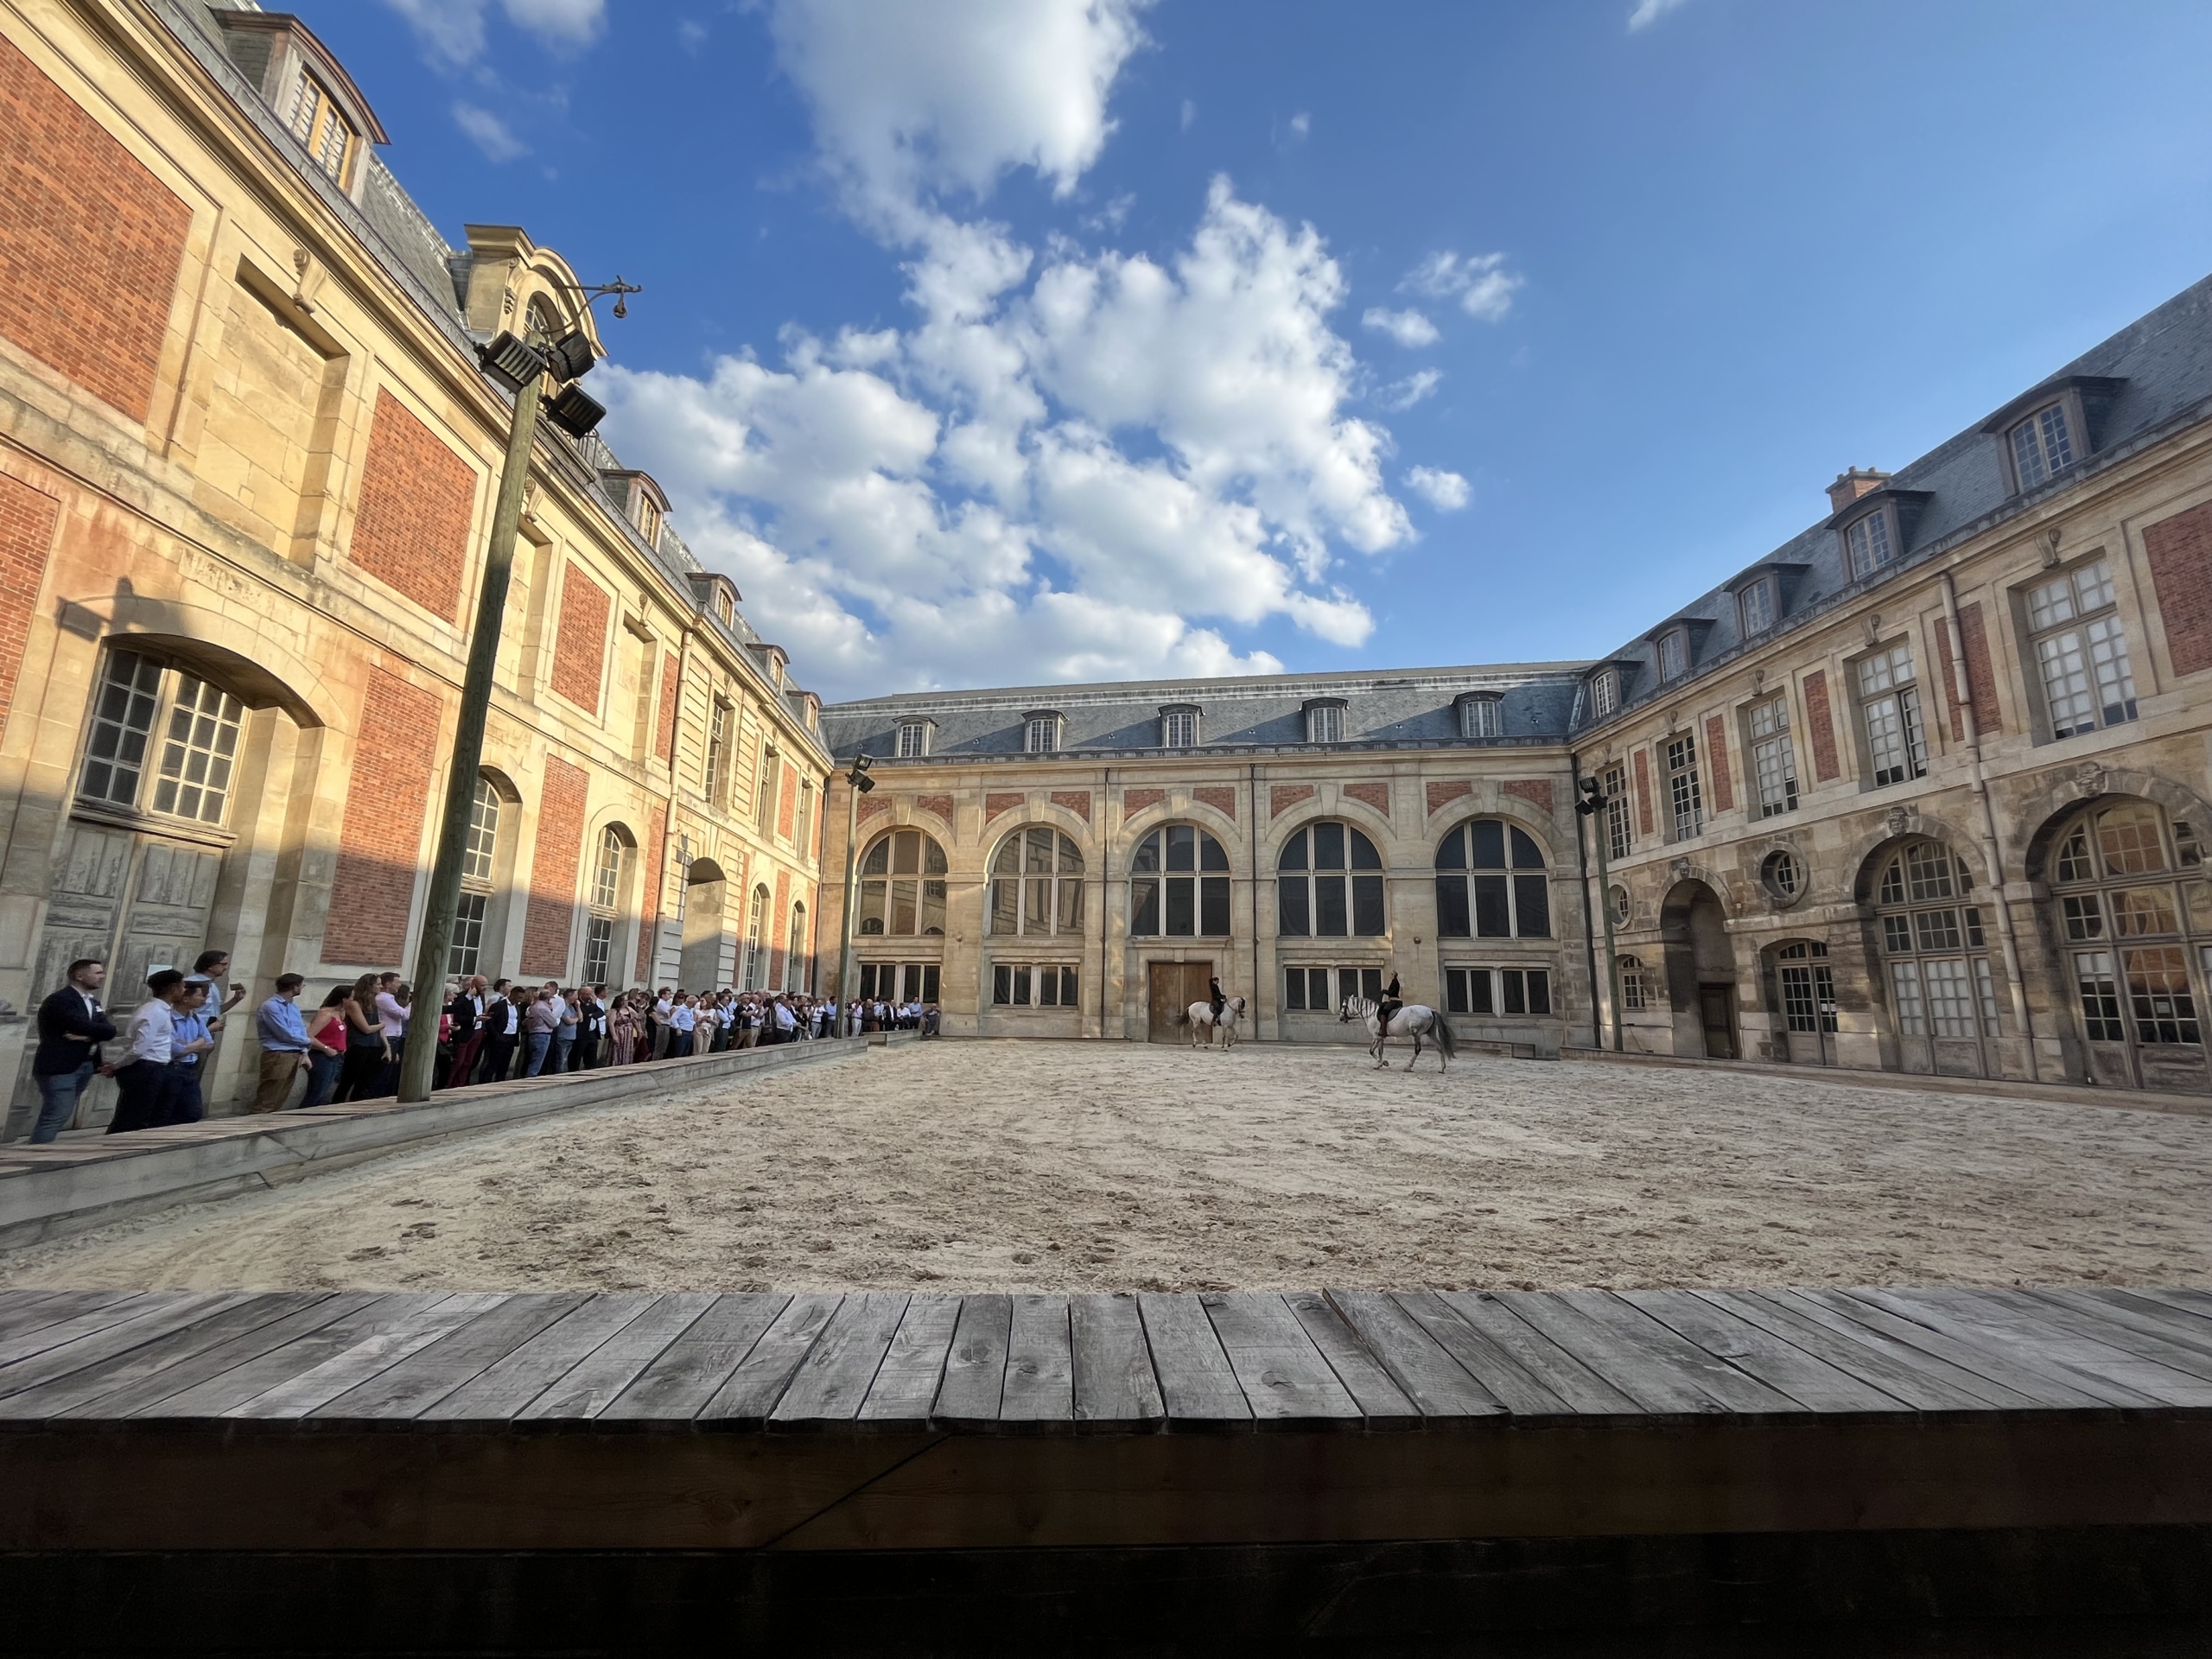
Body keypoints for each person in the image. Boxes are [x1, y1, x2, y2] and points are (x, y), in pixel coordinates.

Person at [30, 958, 117, 1144]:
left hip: (85, 1064)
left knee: (61, 1112)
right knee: (56, 1114)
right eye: (97, 973)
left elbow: (110, 1031)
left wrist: (87, 1036)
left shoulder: (93, 1002)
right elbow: (77, 1024)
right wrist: (92, 1031)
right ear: (79, 975)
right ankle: (35, 1154)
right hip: (61, 1066)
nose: (102, 977)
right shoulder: (60, 1000)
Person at [109, 969, 187, 1135]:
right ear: (174, 988)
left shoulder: (162, 1010)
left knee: (145, 1114)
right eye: (182, 986)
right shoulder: (153, 1011)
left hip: (154, 1067)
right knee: (133, 1116)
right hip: (145, 1067)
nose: (184, 991)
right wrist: (117, 1066)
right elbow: (139, 1047)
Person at [252, 973, 314, 1113]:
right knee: (269, 1096)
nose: (302, 988)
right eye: (301, 985)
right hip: (278, 1054)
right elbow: (284, 1033)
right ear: (294, 987)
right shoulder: (271, 1006)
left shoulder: (293, 1006)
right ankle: (253, 1126)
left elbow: (300, 1029)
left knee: (281, 1096)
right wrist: (310, 1042)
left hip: (294, 1053)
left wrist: (304, 1051)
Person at [161, 976, 217, 1125]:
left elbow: (209, 1043)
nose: (203, 999)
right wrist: (198, 1044)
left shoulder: (195, 1018)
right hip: (173, 1068)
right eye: (199, 995)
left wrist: (189, 1046)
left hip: (190, 1069)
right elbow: (176, 1049)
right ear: (186, 998)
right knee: (166, 1111)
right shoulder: (168, 1018)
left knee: (193, 1112)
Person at [332, 973, 388, 1103]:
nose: (381, 987)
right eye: (378, 984)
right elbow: (366, 1028)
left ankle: (356, 1105)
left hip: (374, 1045)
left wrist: (387, 1046)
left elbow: (375, 1027)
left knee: (365, 1081)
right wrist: (382, 1025)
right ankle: (336, 1105)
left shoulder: (373, 1003)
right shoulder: (354, 1004)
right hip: (359, 1045)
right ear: (369, 986)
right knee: (348, 1080)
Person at [301, 987, 349, 1108]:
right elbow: (309, 1035)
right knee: (317, 1091)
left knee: (324, 1091)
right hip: (322, 1056)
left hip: (336, 1056)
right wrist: (325, 1048)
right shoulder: (325, 1014)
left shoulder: (339, 1014)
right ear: (343, 999)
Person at [445, 976, 486, 1088]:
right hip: (464, 1032)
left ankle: (461, 1084)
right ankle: (448, 1084)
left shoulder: (482, 996)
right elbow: (457, 1016)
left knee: (468, 1062)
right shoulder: (462, 997)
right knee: (459, 1061)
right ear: (474, 985)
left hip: (478, 1031)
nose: (485, 988)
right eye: (482, 985)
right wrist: (475, 1019)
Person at [374, 973, 410, 1096]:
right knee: (383, 1073)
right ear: (388, 984)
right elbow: (404, 1015)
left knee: (390, 1073)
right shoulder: (383, 998)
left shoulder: (389, 998)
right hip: (388, 1037)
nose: (399, 985)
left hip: (394, 1037)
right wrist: (414, 1004)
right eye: (397, 982)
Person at [523, 987, 560, 1077]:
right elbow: (553, 1023)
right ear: (547, 999)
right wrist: (550, 1010)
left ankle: (529, 1076)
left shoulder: (534, 1006)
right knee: (537, 1061)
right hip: (542, 1035)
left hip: (533, 1034)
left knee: (532, 1059)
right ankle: (530, 1079)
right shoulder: (543, 1008)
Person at [1376, 971, 1403, 1035]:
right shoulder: (1394, 982)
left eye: (1391, 974)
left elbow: (1392, 993)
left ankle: (1383, 1030)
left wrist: (1384, 991)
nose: (1390, 976)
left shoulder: (1395, 983)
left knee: (1383, 1012)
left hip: (1394, 1001)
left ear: (1394, 975)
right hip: (1392, 1000)